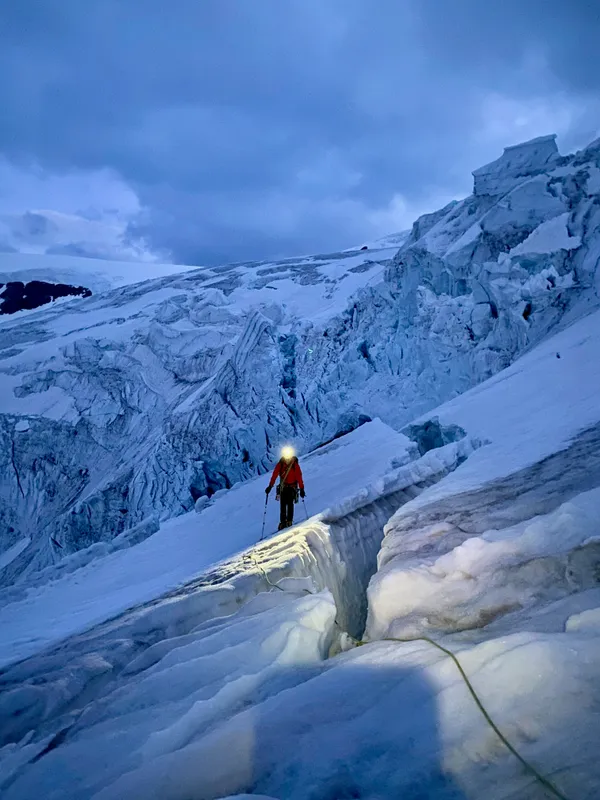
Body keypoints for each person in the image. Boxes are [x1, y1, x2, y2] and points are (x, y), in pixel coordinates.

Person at [266, 446, 305, 530]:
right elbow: (299, 477)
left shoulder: (284, 464)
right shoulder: (293, 464)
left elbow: (275, 475)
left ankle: (285, 522)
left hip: (288, 488)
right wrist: (301, 489)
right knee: (285, 505)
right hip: (288, 487)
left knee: (287, 504)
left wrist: (270, 486)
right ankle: (286, 522)